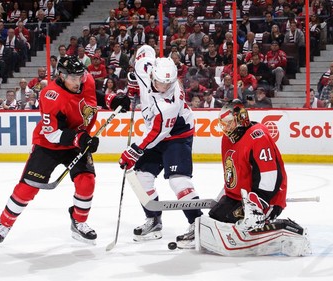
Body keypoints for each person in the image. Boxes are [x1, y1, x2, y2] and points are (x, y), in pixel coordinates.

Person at [0, 56, 130, 244]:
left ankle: (79, 222)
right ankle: (5, 224)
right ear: (62, 76)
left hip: (78, 143)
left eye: (80, 77)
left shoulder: (85, 79)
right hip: (49, 145)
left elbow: (92, 95)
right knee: (28, 188)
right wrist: (81, 139)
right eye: (73, 78)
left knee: (86, 182)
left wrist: (112, 100)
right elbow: (53, 134)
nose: (78, 81)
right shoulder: (50, 96)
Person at [196, 99, 311, 256]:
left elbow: (270, 175)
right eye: (223, 123)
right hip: (240, 196)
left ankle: (289, 231)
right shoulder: (228, 138)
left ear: (241, 119)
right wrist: (226, 192)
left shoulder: (258, 137)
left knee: (238, 222)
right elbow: (234, 172)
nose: (226, 127)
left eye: (229, 123)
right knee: (216, 217)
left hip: (266, 197)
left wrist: (259, 203)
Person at [115, 45, 203, 248]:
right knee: (141, 178)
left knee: (178, 181)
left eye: (167, 84)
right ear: (152, 72)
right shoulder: (144, 67)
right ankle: (154, 219)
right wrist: (134, 83)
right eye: (159, 82)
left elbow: (156, 133)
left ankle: (197, 224)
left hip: (177, 136)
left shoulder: (169, 103)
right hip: (156, 134)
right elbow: (145, 51)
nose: (163, 87)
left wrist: (133, 151)